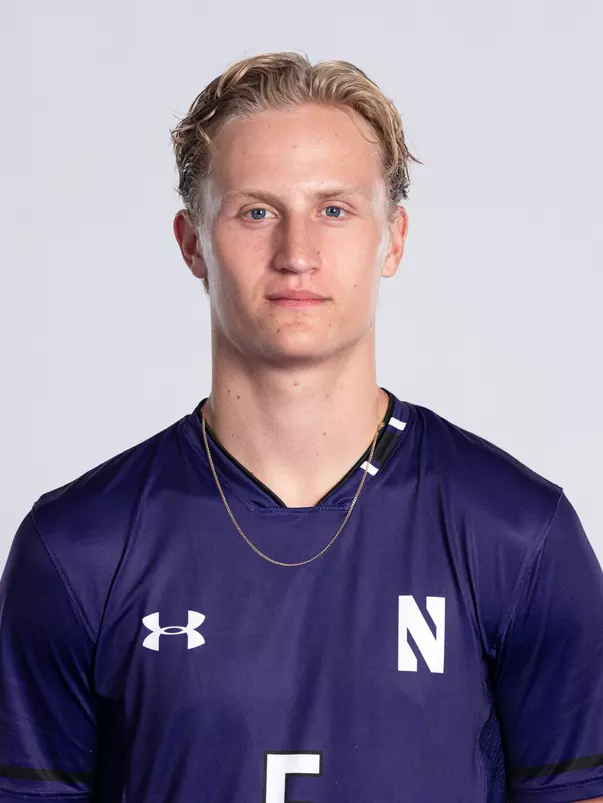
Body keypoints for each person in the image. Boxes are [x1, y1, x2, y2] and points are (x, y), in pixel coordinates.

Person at [1, 50, 602, 803]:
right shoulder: (77, 545)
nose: (296, 254)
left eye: (334, 209)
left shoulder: (516, 532)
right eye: (256, 211)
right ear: (192, 243)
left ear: (393, 239)